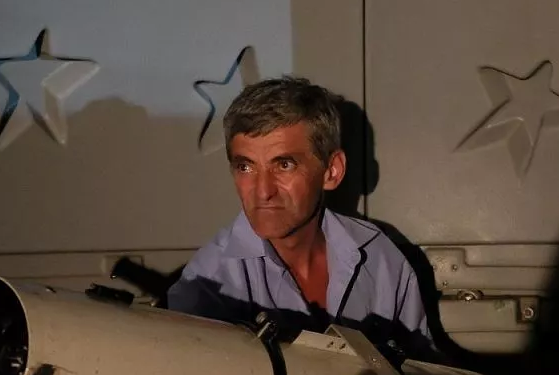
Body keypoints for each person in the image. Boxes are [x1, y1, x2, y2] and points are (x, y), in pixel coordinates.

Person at [166, 76, 434, 358]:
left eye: (284, 165)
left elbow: (427, 372)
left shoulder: (379, 258)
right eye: (245, 167)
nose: (263, 191)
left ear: (331, 171)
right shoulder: (208, 284)